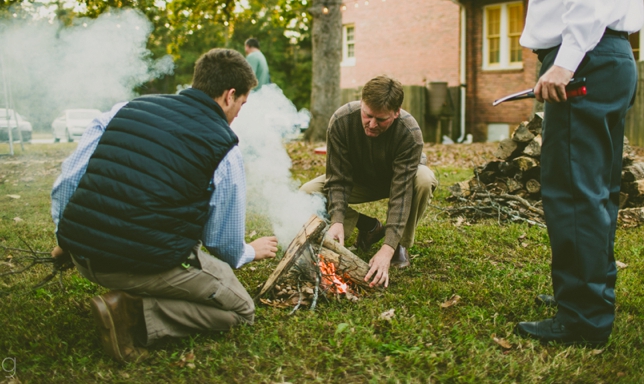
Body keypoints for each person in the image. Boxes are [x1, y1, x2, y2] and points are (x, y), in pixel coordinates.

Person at [51, 48, 279, 362]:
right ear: (230, 96)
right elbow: (221, 244)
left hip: (83, 256)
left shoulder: (126, 108)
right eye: (242, 103)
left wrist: (65, 241)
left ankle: (131, 299)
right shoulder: (224, 146)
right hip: (132, 264)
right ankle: (132, 313)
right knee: (241, 310)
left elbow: (68, 181)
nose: (239, 111)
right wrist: (250, 250)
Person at [514, 0, 644, 345]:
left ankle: (582, 319)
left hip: (586, 60)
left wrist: (565, 63)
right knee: (597, 191)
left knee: (572, 192)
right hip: (607, 57)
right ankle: (584, 293)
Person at [300, 76, 438, 288]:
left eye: (381, 120)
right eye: (367, 115)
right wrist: (337, 219)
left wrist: (388, 248)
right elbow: (337, 178)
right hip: (358, 179)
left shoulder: (409, 132)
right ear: (361, 103)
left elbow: (401, 194)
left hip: (397, 180)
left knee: (424, 178)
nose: (372, 124)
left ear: (396, 113)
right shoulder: (341, 120)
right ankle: (369, 227)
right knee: (307, 192)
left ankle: (399, 244)